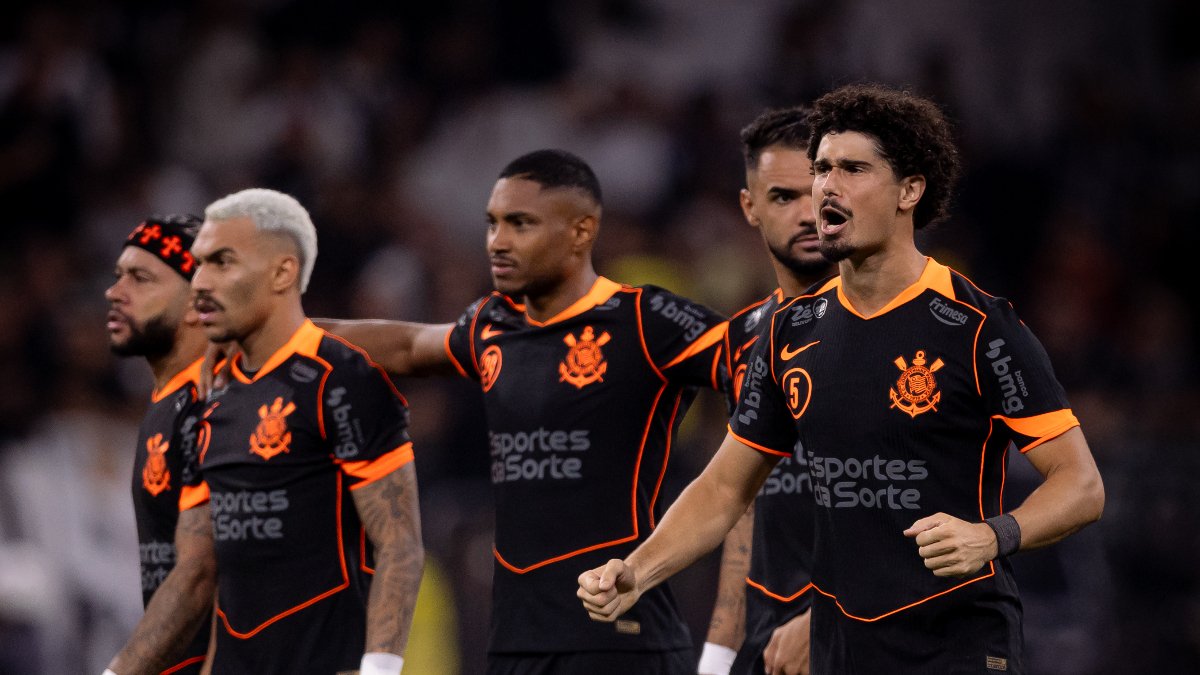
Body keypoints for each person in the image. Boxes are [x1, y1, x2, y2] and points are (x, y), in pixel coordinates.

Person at [578, 83, 1105, 674]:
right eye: (822, 169)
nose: (828, 186)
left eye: (853, 169)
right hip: (840, 649)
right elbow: (724, 488)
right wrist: (637, 571)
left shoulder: (979, 327)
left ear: (910, 190)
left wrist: (993, 535)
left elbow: (1081, 485)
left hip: (954, 644)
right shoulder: (791, 330)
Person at [322, 149, 730, 675]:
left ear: (581, 231)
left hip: (621, 640)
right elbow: (407, 344)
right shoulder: (495, 325)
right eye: (493, 223)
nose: (499, 241)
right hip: (518, 641)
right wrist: (284, 334)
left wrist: (732, 460)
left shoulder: (647, 320)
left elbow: (757, 362)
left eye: (521, 224)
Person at [118, 188, 424, 675]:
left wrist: (379, 669)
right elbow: (200, 575)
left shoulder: (340, 380)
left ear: (282, 273)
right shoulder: (211, 396)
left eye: (221, 262)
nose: (201, 282)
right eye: (199, 264)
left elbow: (399, 543)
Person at [699, 107, 834, 675]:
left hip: (880, 637)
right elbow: (741, 508)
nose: (806, 214)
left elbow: (935, 501)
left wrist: (828, 621)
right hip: (770, 644)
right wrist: (717, 656)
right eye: (783, 197)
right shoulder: (744, 338)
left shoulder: (906, 326)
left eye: (816, 193)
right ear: (749, 207)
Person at [104, 215, 213, 675]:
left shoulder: (212, 407)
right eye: (118, 275)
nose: (114, 291)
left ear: (196, 303)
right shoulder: (169, 403)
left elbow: (199, 574)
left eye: (141, 278)